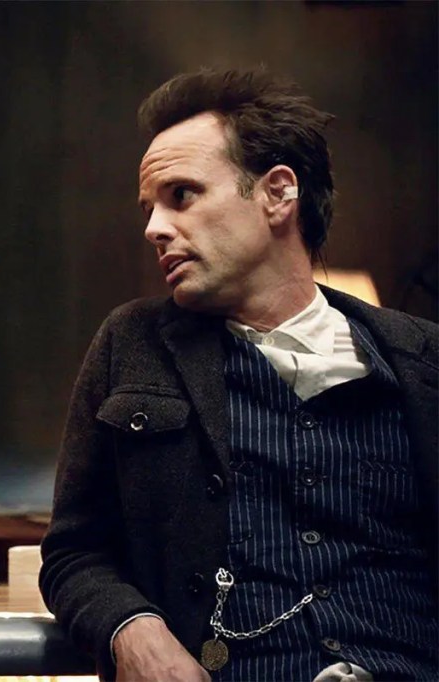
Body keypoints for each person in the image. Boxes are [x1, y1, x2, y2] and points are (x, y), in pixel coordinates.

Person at [40, 68, 437, 682]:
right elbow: (74, 552)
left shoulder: (420, 355)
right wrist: (132, 630)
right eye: (150, 208)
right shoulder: (134, 342)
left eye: (182, 195)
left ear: (278, 193)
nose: (154, 228)